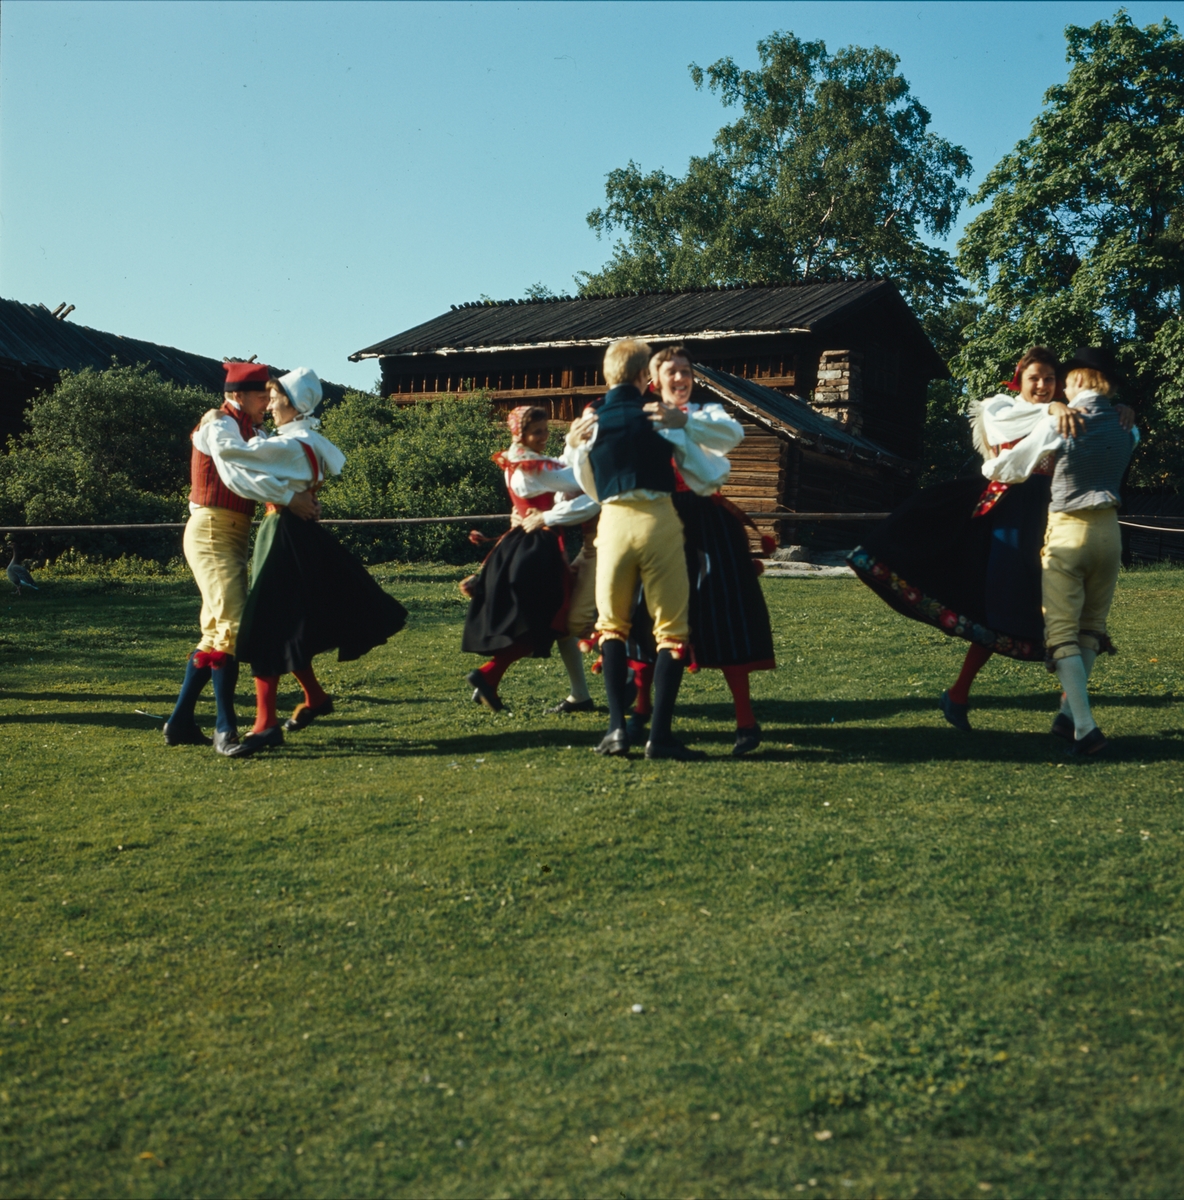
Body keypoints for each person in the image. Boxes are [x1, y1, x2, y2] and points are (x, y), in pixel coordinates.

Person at [849, 347, 1124, 731]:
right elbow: (1005, 432)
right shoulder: (1001, 407)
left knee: (1060, 610)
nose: (1043, 386)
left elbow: (1098, 432)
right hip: (1007, 514)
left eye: (1049, 379)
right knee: (1002, 603)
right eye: (1035, 379)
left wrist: (1122, 411)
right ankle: (964, 693)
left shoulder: (1068, 411)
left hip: (1053, 512)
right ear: (1020, 380)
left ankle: (1065, 707)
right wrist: (1052, 410)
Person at [202, 367, 409, 756]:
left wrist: (214, 424)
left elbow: (236, 453)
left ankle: (265, 725)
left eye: (274, 395)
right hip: (292, 533)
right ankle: (313, 697)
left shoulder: (292, 445)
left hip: (282, 534)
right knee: (289, 622)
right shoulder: (298, 440)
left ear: (292, 404)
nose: (269, 401)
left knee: (268, 624)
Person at [985, 347, 1138, 755]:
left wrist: (990, 468)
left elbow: (1008, 469)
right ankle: (1069, 713)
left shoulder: (1062, 424)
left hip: (1069, 530)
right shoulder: (1128, 426)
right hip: (1111, 534)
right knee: (1091, 626)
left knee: (1062, 631)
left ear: (1076, 381)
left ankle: (1085, 728)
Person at [163, 360, 320, 755]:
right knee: (232, 625)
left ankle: (180, 721)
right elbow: (237, 471)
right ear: (236, 395)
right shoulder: (219, 422)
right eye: (259, 394)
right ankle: (225, 727)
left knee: (216, 629)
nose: (267, 400)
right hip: (211, 528)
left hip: (232, 531)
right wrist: (287, 496)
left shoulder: (253, 428)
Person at [566, 338, 702, 760]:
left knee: (611, 625)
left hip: (614, 522)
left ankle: (615, 730)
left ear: (607, 374)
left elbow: (582, 476)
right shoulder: (660, 416)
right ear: (647, 375)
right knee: (672, 631)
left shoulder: (589, 420)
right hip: (659, 518)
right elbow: (700, 465)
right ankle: (659, 736)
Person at [645, 346, 776, 756]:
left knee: (726, 613)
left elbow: (731, 436)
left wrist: (681, 420)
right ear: (654, 381)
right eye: (672, 372)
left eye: (686, 371)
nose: (681, 378)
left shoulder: (707, 414)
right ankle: (642, 721)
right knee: (649, 619)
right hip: (659, 519)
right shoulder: (639, 418)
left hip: (707, 520)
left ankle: (745, 721)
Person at [462, 406, 598, 712]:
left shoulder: (520, 460)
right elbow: (574, 481)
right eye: (537, 432)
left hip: (529, 544)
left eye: (546, 431)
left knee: (555, 623)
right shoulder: (530, 467)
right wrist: (579, 446)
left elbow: (558, 468)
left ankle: (579, 695)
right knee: (543, 622)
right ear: (520, 434)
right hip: (537, 549)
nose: (543, 437)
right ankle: (487, 675)